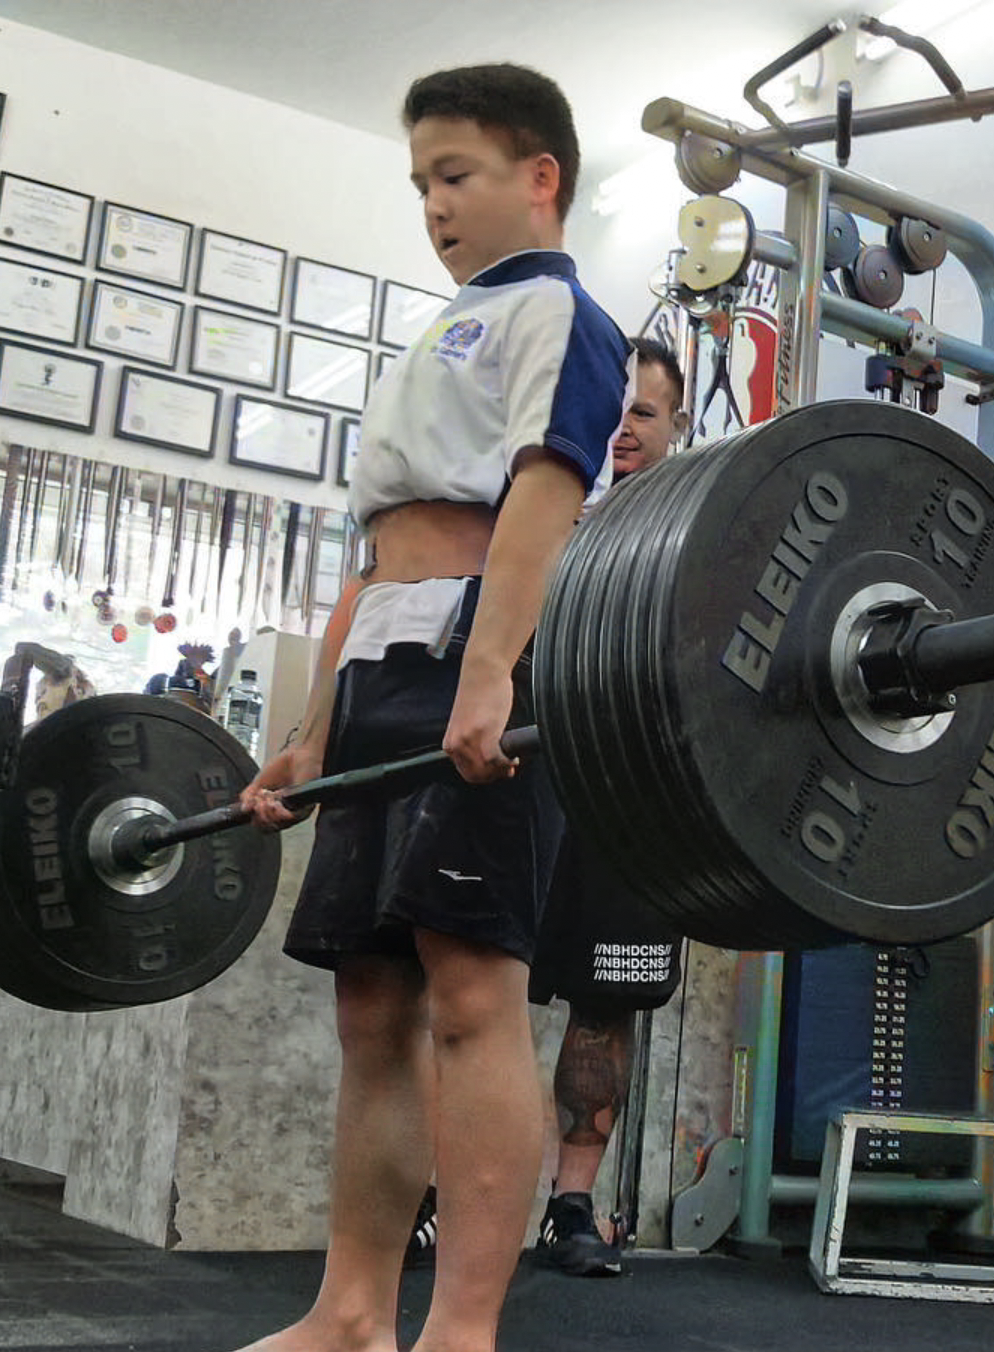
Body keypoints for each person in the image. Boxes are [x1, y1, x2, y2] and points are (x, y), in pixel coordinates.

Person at [236, 63, 628, 1352]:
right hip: (384, 666)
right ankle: (350, 1309)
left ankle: (460, 1327)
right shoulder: (434, 332)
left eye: (452, 175)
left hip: (482, 648)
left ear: (539, 176)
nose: (432, 205)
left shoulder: (563, 319)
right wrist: (309, 729)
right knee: (372, 1003)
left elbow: (542, 496)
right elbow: (374, 552)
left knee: (472, 992)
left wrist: (490, 672)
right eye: (418, 183)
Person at [404, 340, 691, 1280]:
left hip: (635, 798)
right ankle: (444, 1202)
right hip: (523, 774)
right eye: (611, 411)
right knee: (477, 994)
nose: (622, 431)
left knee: (606, 1002)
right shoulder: (529, 516)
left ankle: (572, 1210)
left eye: (644, 414)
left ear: (677, 428)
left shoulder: (695, 538)